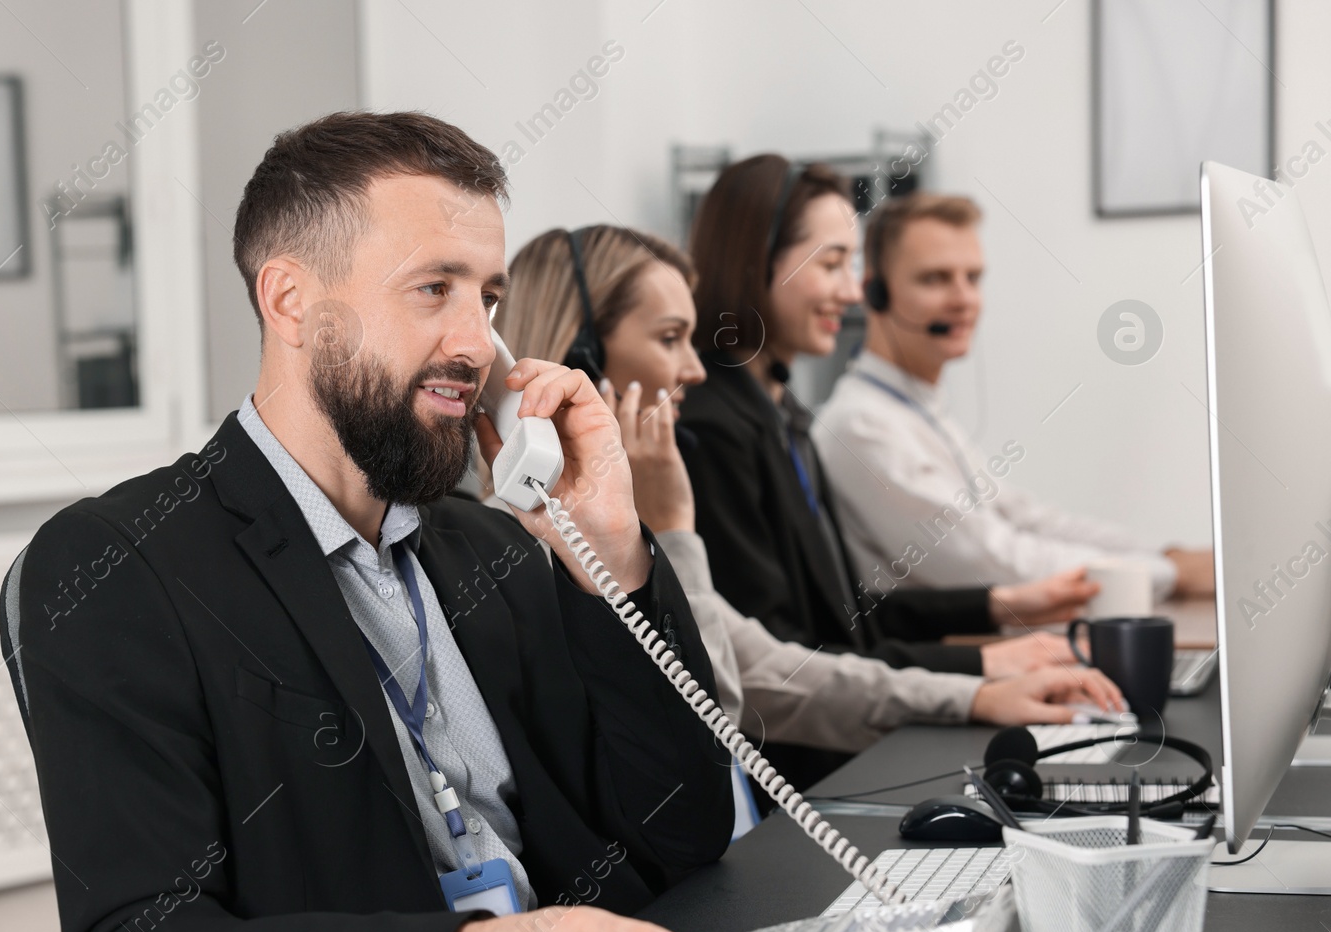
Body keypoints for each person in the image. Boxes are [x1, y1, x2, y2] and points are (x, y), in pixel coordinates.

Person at [2, 111, 738, 932]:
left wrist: (614, 559)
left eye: (489, 298)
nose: (477, 344)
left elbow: (681, 831)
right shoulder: (119, 564)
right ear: (291, 300)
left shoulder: (497, 546)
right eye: (434, 288)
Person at [492, 225, 1124, 759]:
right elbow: (719, 712)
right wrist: (676, 527)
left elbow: (765, 668)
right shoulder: (508, 541)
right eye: (668, 338)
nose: (694, 369)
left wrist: (974, 697)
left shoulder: (644, 501)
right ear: (583, 355)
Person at [679, 156, 1095, 681]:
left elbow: (842, 615)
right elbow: (784, 661)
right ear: (755, 260)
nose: (854, 293)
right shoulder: (714, 429)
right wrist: (979, 665)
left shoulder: (783, 416)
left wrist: (996, 605)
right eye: (831, 265)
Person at [814, 192, 1215, 597]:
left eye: (972, 278)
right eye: (934, 278)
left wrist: (1168, 554)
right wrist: (1170, 575)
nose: (964, 299)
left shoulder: (920, 412)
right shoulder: (862, 426)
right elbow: (993, 561)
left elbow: (1025, 519)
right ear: (874, 293)